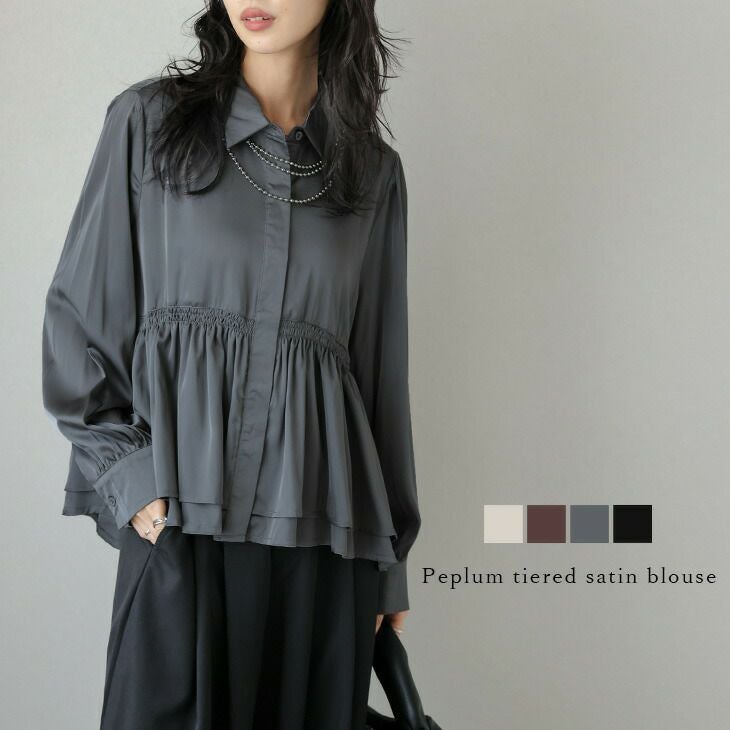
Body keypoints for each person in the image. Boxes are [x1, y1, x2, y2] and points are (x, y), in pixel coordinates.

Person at [41, 1, 421, 728]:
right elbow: (79, 319)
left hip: (324, 549)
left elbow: (379, 382)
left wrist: (390, 561)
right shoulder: (147, 123)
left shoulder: (372, 174)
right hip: (180, 522)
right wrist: (132, 478)